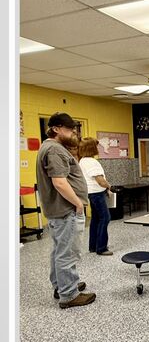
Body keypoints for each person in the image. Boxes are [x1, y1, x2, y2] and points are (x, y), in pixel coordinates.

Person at [34, 113, 94, 308]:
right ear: (57, 129)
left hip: (59, 209)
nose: (73, 133)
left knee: (59, 250)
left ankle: (62, 284)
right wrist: (77, 203)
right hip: (66, 209)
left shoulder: (51, 147)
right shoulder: (54, 150)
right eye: (70, 130)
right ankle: (69, 295)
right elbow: (59, 182)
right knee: (67, 253)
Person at [78, 137, 113, 256]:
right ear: (92, 148)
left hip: (90, 193)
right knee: (105, 218)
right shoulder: (92, 162)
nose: (98, 148)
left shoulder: (82, 160)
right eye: (96, 146)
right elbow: (100, 180)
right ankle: (102, 248)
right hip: (97, 193)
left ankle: (93, 246)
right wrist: (109, 186)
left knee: (96, 219)